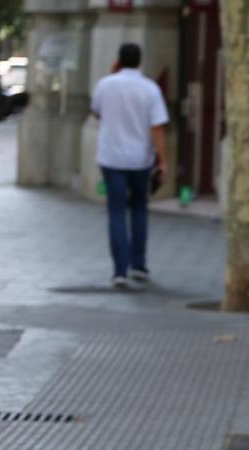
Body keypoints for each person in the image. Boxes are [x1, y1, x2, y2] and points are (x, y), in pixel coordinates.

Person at [90, 43, 169, 289]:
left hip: (111, 157)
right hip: (139, 159)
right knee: (139, 209)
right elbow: (157, 127)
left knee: (116, 212)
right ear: (140, 61)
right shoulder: (150, 89)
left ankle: (119, 271)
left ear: (119, 60)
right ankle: (139, 264)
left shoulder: (104, 85)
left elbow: (96, 112)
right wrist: (162, 160)